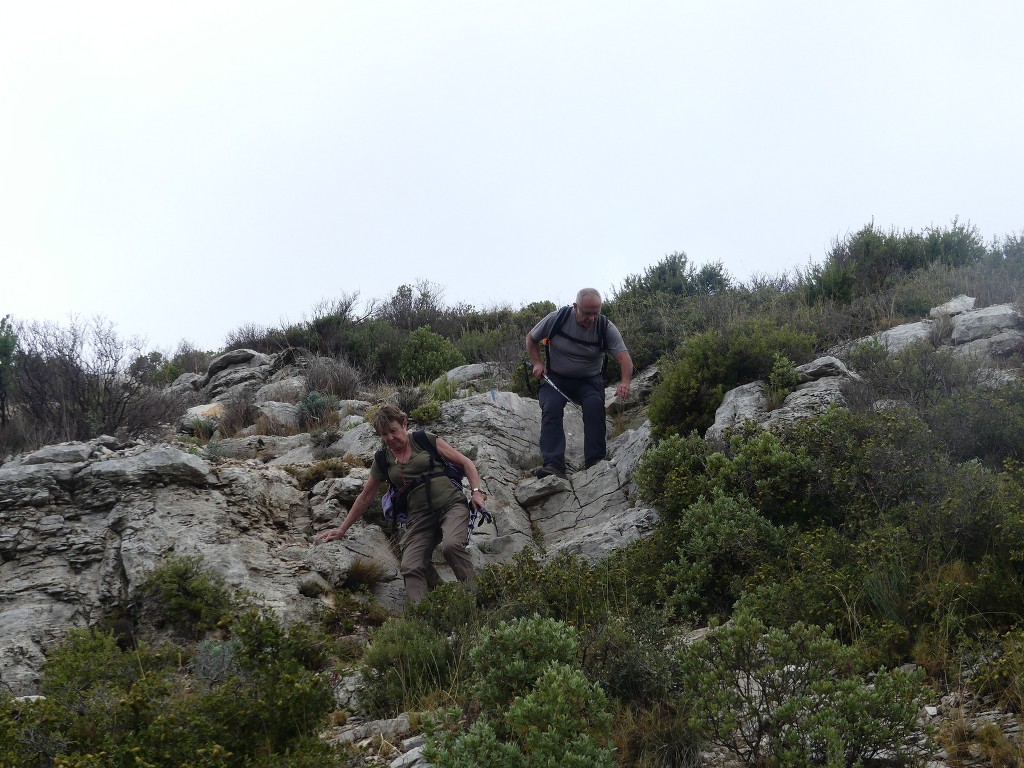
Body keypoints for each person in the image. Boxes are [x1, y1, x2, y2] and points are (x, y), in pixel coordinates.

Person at [315, 404, 486, 603]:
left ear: (405, 424)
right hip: (419, 518)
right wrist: (342, 529)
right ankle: (423, 618)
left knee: (451, 546)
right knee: (410, 566)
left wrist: (476, 493)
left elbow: (466, 463)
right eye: (384, 434)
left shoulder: (424, 439)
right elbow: (365, 497)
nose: (389, 438)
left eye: (393, 431)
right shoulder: (382, 459)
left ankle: (479, 599)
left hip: (451, 505)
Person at [526, 287, 633, 478]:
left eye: (596, 313)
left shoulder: (605, 327)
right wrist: (537, 363)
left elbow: (624, 359)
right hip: (557, 378)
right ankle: (554, 465)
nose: (592, 318)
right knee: (551, 407)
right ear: (575, 307)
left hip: (589, 381)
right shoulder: (557, 319)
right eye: (587, 313)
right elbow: (531, 338)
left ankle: (595, 462)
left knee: (594, 406)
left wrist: (625, 383)